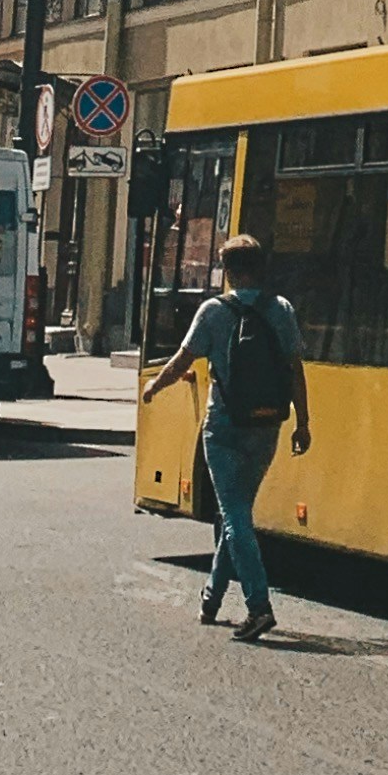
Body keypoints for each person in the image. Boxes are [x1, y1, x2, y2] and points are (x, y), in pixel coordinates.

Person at [146, 233, 309, 641]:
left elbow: (181, 361)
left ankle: (259, 607)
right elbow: (295, 369)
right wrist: (303, 422)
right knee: (235, 513)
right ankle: (211, 599)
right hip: (267, 426)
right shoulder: (281, 309)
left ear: (229, 271)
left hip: (223, 426)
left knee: (235, 516)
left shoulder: (214, 311)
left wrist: (153, 387)